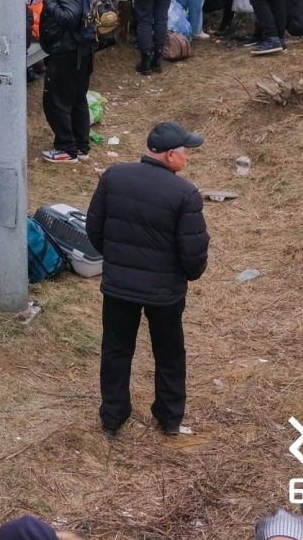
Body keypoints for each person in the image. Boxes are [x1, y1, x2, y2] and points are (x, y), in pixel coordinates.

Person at [86, 121, 210, 438]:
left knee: (116, 350)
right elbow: (193, 252)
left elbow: (94, 230)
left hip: (118, 287)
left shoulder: (113, 176)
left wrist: (117, 260)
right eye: (186, 152)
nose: (189, 158)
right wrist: (188, 275)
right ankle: (169, 418)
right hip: (164, 293)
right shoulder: (185, 194)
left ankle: (112, 418)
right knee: (169, 353)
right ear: (170, 155)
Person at [38, 0, 94, 163]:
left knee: (56, 101)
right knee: (77, 99)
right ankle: (81, 146)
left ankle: (66, 149)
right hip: (80, 52)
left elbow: (70, 19)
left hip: (67, 53)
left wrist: (49, 2)